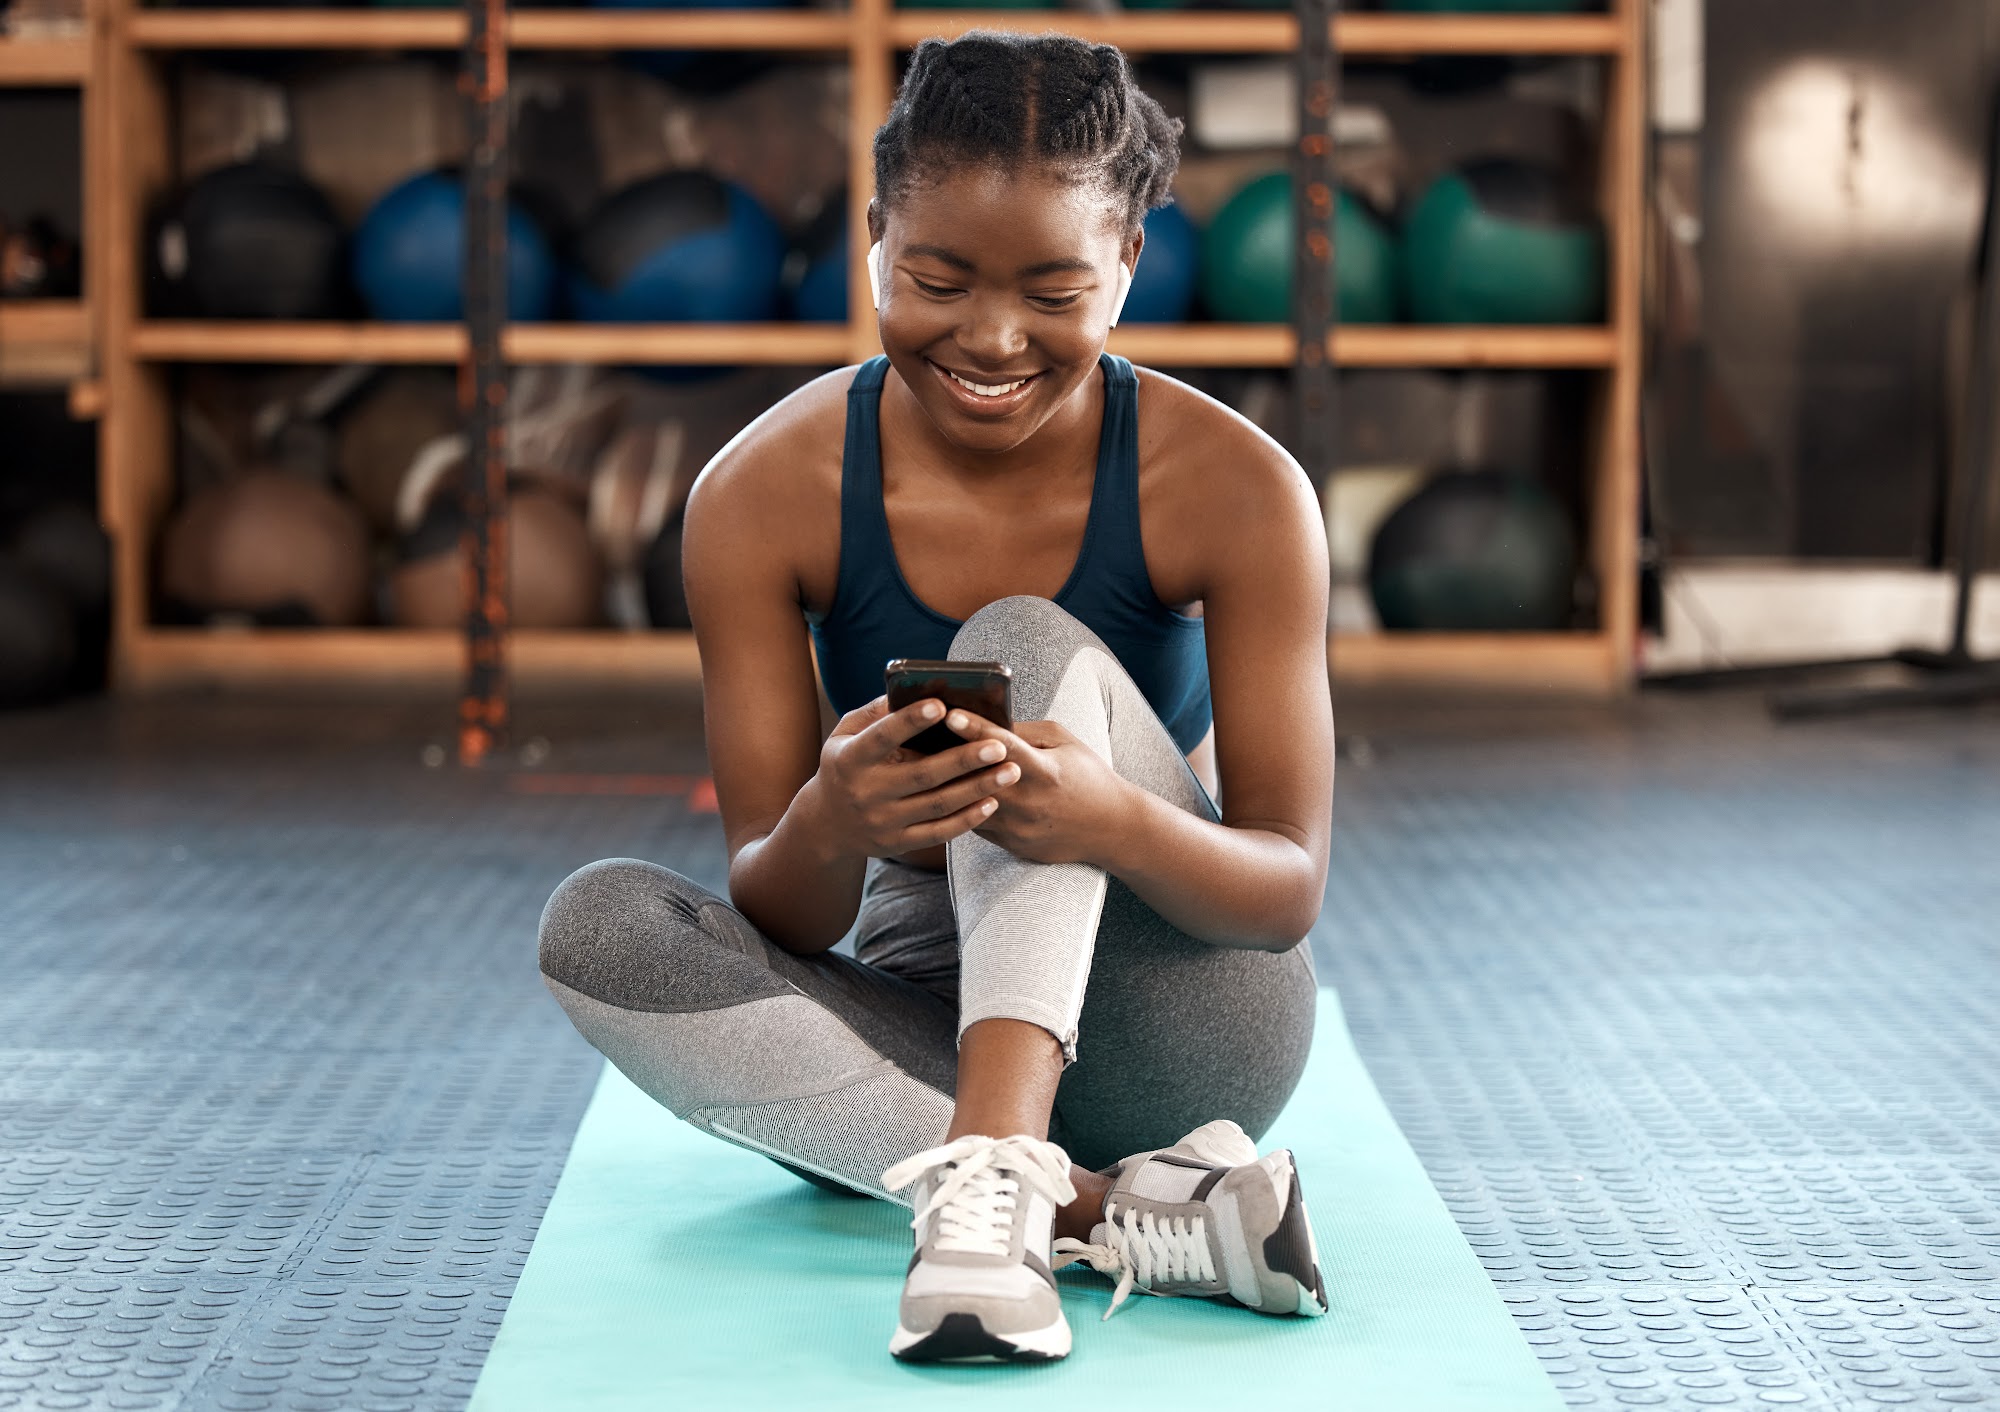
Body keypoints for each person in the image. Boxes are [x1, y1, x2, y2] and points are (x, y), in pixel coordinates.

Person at [537, 29, 1336, 1365]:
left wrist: (1114, 825)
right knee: (600, 927)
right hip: (918, 1021)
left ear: (1130, 263)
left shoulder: (1238, 488)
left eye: (1054, 290)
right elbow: (782, 908)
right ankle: (1084, 1205)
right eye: (939, 279)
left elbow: (1286, 887)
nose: (992, 339)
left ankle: (1000, 1178)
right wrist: (832, 822)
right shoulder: (759, 493)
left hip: (1183, 1019)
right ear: (870, 245)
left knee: (1021, 640)